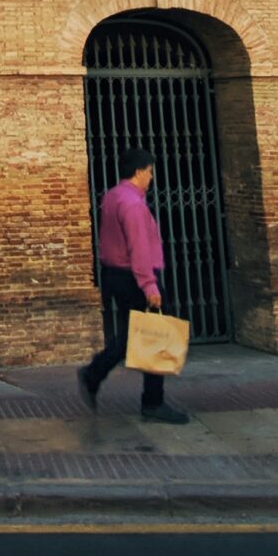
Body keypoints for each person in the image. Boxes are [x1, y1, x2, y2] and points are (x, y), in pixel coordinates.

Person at [77, 146, 190, 424]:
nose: (151, 178)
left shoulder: (113, 196)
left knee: (134, 334)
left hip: (115, 274)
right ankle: (152, 402)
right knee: (156, 334)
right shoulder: (133, 205)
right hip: (135, 276)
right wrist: (150, 286)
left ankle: (95, 374)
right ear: (139, 171)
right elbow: (138, 248)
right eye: (150, 172)